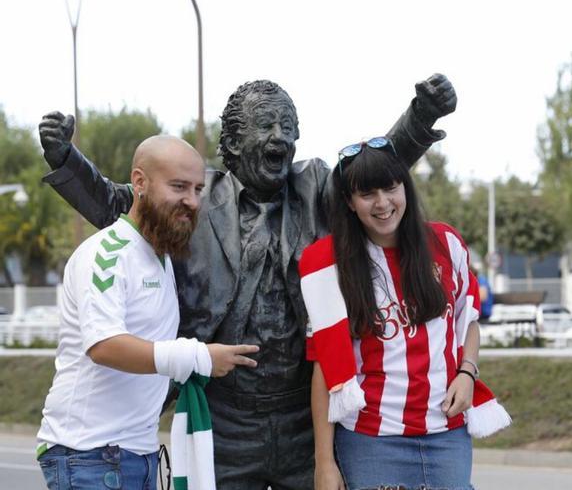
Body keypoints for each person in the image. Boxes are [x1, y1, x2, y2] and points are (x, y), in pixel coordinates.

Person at [37, 74, 456, 489]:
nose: (281, 137)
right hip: (223, 415)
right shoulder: (195, 200)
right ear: (234, 142)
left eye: (288, 127)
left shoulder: (315, 188)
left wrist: (420, 118)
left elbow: (371, 176)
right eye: (267, 125)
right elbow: (121, 203)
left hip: (303, 415)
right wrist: (66, 160)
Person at [36, 136, 259, 490]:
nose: (192, 200)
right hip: (91, 455)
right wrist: (198, 356)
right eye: (179, 186)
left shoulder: (161, 256)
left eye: (198, 189)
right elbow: (104, 345)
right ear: (139, 182)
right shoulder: (107, 253)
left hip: (133, 454)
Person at [299, 138, 510, 490]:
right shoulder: (331, 266)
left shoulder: (446, 245)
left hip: (448, 434)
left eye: (390, 188)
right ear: (350, 202)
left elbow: (468, 321)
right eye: (367, 194)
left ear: (405, 188)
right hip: (371, 439)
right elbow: (326, 368)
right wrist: (324, 463)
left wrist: (468, 374)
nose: (383, 203)